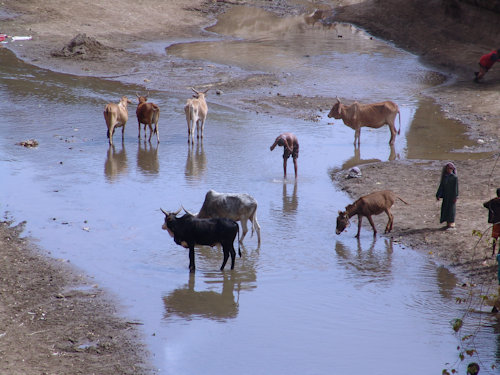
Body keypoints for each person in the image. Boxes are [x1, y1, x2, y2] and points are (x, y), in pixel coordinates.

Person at [436, 162, 458, 229]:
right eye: (448, 168)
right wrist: (438, 195)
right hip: (446, 196)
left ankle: (451, 223)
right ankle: (447, 222)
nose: (449, 170)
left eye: (450, 169)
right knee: (445, 209)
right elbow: (441, 186)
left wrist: (455, 196)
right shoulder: (445, 177)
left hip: (451, 196)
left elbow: (456, 188)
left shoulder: (454, 177)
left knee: (451, 210)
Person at [483, 188, 500, 255]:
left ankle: (493, 252)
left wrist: (493, 200)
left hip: (496, 222)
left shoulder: (494, 201)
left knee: (495, 238)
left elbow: (485, 204)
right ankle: (499, 252)